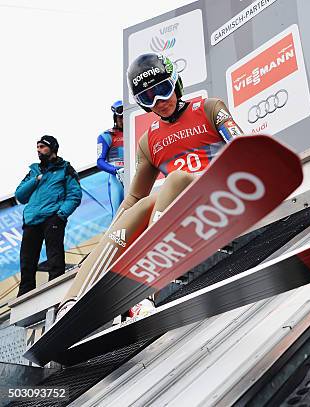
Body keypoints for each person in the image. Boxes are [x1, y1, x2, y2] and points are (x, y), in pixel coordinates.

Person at [57, 53, 244, 319]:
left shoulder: (209, 107)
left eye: (163, 90)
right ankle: (72, 303)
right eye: (148, 98)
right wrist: (106, 242)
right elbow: (133, 198)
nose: (160, 102)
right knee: (143, 204)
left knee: (176, 178)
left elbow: (241, 146)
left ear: (175, 83)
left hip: (219, 197)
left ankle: (143, 290)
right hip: (179, 217)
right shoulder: (150, 140)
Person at [15, 135, 83, 297]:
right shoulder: (33, 171)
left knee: (55, 256)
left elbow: (75, 194)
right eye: (37, 147)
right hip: (32, 219)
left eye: (42, 147)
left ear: (52, 148)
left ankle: (56, 290)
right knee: (27, 260)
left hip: (53, 217)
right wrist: (35, 180)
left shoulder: (65, 168)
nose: (38, 150)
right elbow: (20, 196)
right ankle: (24, 295)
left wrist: (61, 215)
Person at [97, 100, 125, 217]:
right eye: (120, 118)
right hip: (117, 176)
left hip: (136, 172)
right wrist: (116, 171)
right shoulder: (106, 136)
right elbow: (100, 161)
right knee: (118, 212)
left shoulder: (136, 128)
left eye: (125, 117)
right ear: (115, 118)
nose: (123, 121)